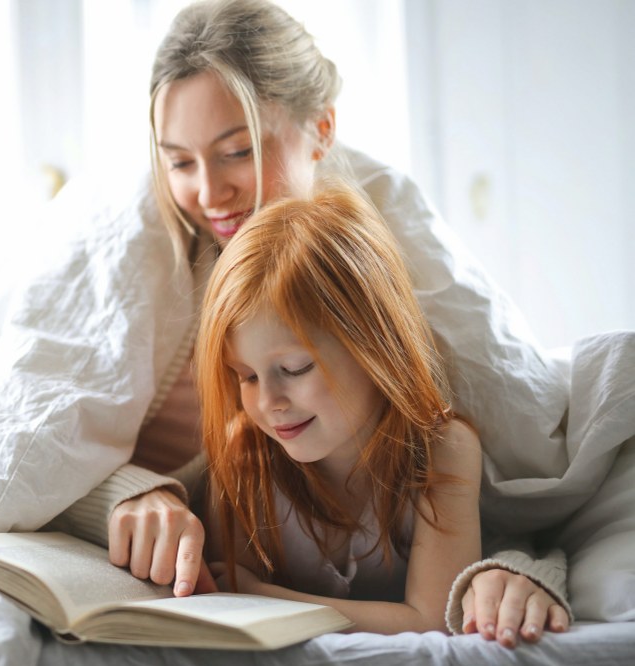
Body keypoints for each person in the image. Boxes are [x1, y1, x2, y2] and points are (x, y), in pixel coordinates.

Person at [46, 0, 571, 648]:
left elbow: (531, 486)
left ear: (321, 129)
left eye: (236, 150)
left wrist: (527, 563)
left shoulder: (427, 424)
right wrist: (130, 498)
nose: (207, 195)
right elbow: (46, 453)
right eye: (177, 162)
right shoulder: (243, 442)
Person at [196, 188, 481, 632]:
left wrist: (262, 597)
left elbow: (436, 619)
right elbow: (226, 593)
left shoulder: (444, 450)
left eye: (295, 368)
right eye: (246, 376)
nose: (269, 402)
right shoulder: (242, 459)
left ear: (373, 344)